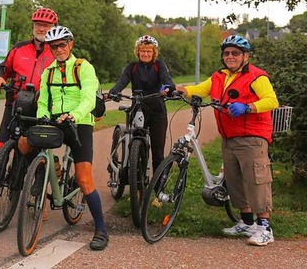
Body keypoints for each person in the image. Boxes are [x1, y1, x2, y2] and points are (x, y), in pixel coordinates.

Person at [176, 35, 279, 246]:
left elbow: (271, 100)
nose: (230, 56)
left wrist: (247, 107)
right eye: (227, 53)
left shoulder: (257, 77)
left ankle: (265, 228)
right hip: (230, 137)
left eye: (235, 53)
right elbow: (198, 89)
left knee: (256, 181)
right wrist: (177, 89)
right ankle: (246, 222)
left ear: (245, 56)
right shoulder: (219, 76)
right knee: (235, 182)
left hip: (252, 137)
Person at [19, 25, 109, 251]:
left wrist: (75, 114)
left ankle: (101, 230)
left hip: (80, 122)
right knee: (25, 144)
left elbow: (89, 98)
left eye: (62, 45)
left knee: (84, 179)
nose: (58, 49)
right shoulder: (48, 72)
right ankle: (53, 165)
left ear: (71, 44)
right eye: (53, 46)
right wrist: (42, 119)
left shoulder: (83, 67)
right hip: (54, 121)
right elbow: (42, 101)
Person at [0, 7, 57, 156]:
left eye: (46, 25)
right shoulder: (19, 48)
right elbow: (3, 68)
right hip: (15, 103)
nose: (41, 29)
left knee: (32, 151)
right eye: (38, 24)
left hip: (41, 107)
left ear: (53, 28)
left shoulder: (57, 51)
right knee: (0, 148)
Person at [107, 35, 175, 172]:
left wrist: (169, 89)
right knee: (135, 144)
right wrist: (113, 92)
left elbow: (167, 80)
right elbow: (122, 81)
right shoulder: (132, 67)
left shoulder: (159, 65)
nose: (145, 54)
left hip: (157, 110)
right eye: (142, 51)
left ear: (154, 53)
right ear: (137, 52)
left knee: (157, 151)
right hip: (138, 108)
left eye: (149, 51)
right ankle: (133, 174)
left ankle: (158, 188)